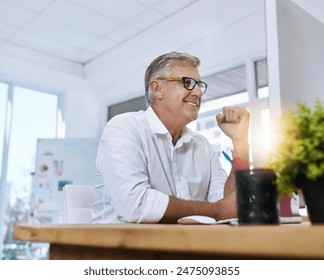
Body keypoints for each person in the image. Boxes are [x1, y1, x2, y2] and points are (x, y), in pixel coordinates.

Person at [90, 51, 250, 224]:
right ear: (158, 89)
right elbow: (135, 206)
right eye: (187, 83)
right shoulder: (123, 128)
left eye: (199, 84)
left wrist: (240, 142)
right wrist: (217, 211)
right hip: (117, 247)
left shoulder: (202, 146)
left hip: (180, 246)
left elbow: (230, 205)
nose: (197, 92)